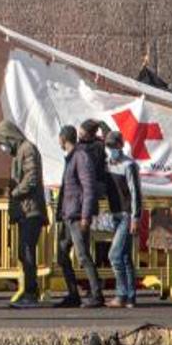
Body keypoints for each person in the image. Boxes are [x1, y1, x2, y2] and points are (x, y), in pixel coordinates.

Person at [0, 119, 47, 309]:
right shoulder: (18, 153)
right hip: (24, 211)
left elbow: (31, 178)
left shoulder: (27, 149)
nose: (1, 147)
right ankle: (29, 291)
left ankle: (31, 293)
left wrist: (14, 193)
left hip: (31, 210)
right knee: (24, 253)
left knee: (27, 251)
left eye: (1, 142)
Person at [54, 124, 104, 308]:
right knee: (62, 254)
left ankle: (97, 294)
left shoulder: (80, 157)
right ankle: (73, 294)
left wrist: (85, 216)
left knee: (83, 255)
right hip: (68, 214)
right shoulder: (71, 158)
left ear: (63, 138)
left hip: (77, 215)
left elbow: (88, 188)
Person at [105, 131, 141, 308]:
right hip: (115, 214)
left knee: (115, 255)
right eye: (109, 146)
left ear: (121, 145)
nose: (112, 149)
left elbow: (136, 193)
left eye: (114, 146)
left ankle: (121, 293)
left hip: (126, 214)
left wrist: (136, 217)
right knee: (125, 257)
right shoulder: (107, 165)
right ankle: (131, 296)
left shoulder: (129, 165)